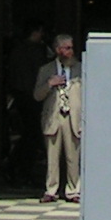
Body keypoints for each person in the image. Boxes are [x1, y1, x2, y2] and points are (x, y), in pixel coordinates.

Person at [34, 33, 81, 205]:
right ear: (57, 50)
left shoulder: (80, 69)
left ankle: (73, 190)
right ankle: (51, 190)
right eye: (66, 48)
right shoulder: (46, 70)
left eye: (71, 48)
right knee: (52, 157)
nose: (70, 51)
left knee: (73, 157)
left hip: (73, 118)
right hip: (53, 118)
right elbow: (37, 96)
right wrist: (49, 84)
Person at [5, 23, 49, 187]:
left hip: (22, 95)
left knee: (30, 134)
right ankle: (19, 168)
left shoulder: (18, 50)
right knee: (33, 134)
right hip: (31, 96)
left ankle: (17, 168)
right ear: (36, 31)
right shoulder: (35, 50)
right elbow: (38, 73)